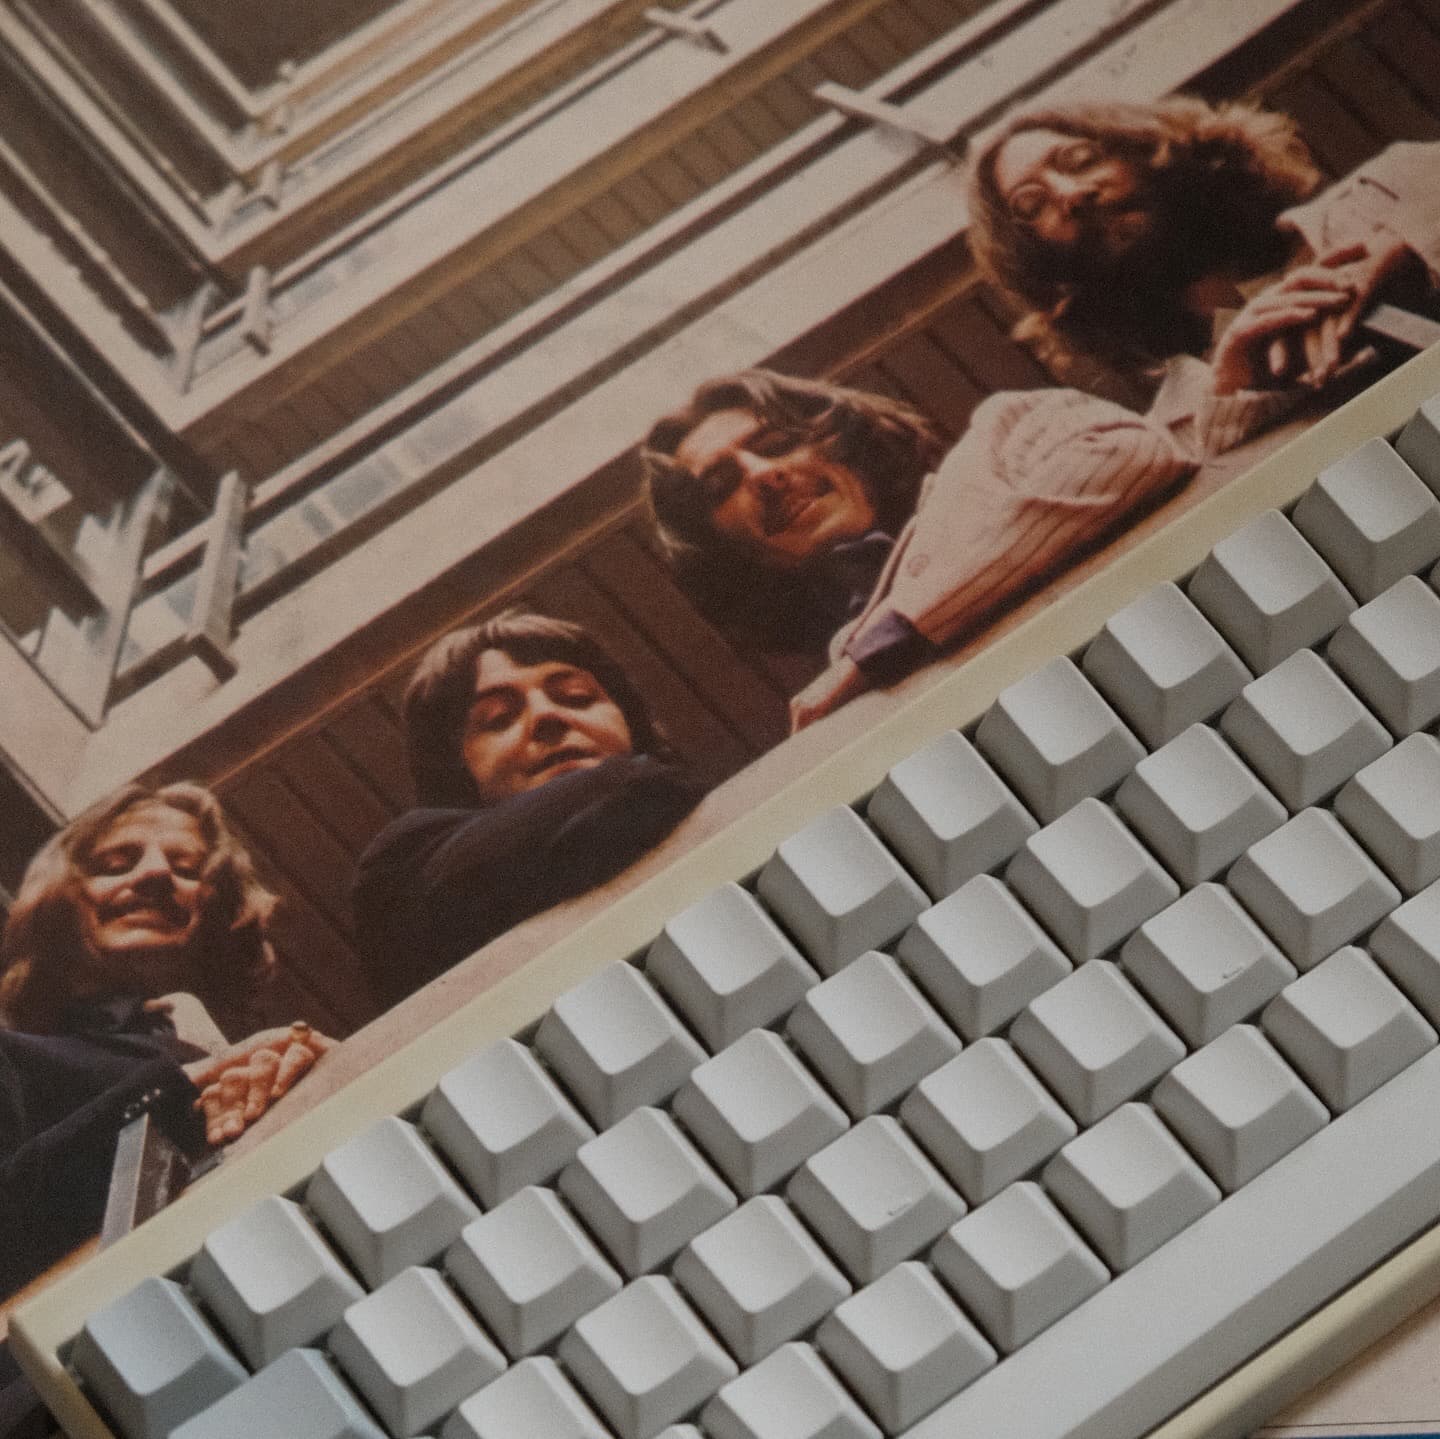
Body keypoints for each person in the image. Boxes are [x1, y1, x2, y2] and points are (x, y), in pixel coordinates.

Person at [645, 368, 1193, 728]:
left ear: (842, 440)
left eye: (777, 445)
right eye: (722, 487)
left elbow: (1130, 454)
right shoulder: (845, 683)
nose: (763, 475)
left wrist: (895, 633)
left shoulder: (1001, 435)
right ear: (731, 553)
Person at [0, 782, 331, 1298]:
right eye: (116, 862)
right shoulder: (12, 1061)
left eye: (187, 869)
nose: (156, 874)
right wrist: (174, 1095)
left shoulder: (208, 1044)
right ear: (59, 899)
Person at [967, 96, 1440, 452]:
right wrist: (1242, 396)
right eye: (1032, 204)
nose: (1070, 192)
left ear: (1150, 148)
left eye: (1082, 159)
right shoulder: (1176, 433)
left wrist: (1412, 246)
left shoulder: (1393, 189)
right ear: (1043, 268)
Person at [351, 610, 704, 1004]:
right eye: (498, 719)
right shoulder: (407, 860)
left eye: (577, 698)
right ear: (454, 768)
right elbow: (628, 789)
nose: (546, 716)